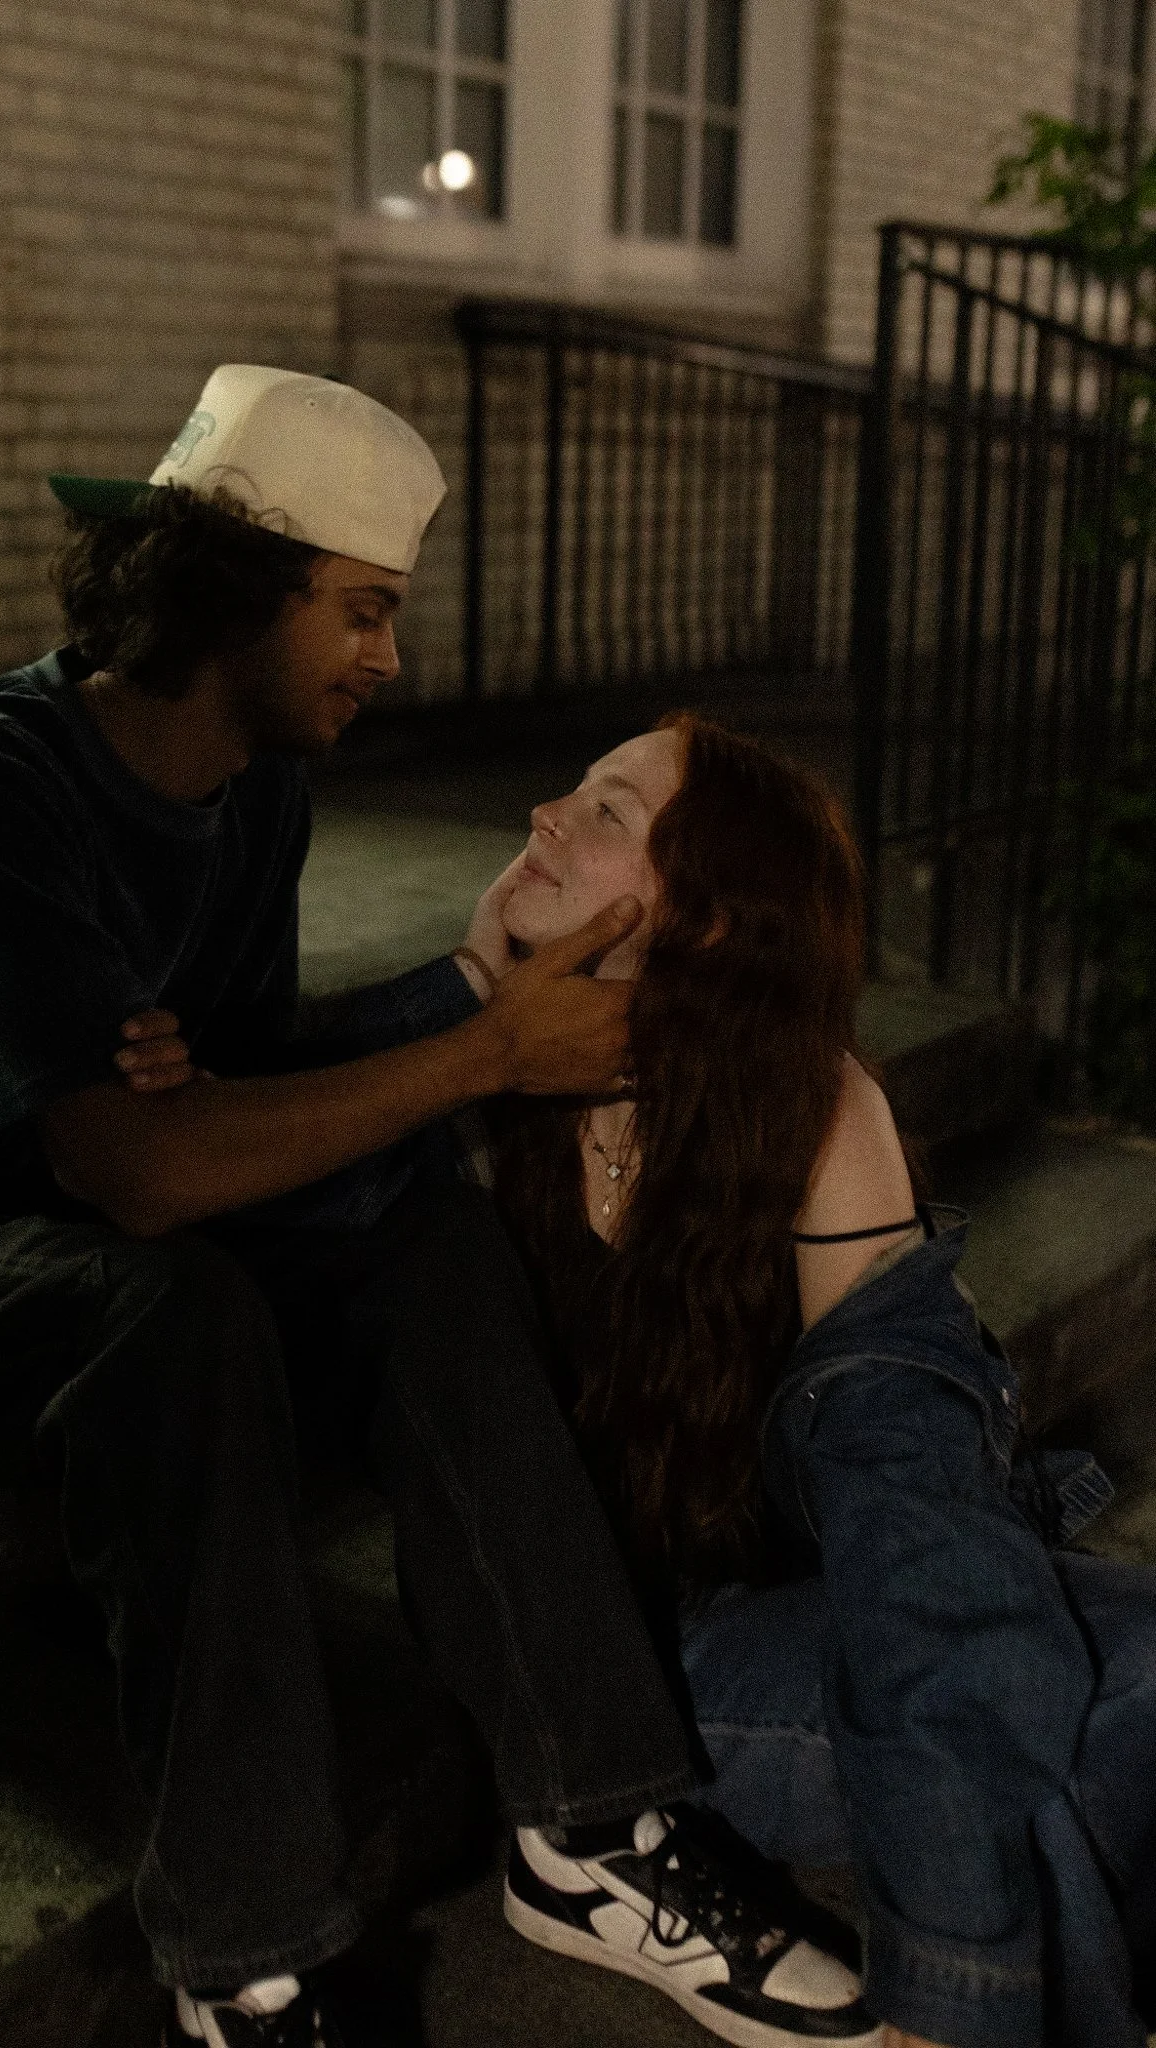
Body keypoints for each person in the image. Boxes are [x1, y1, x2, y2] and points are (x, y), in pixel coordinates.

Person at [0, 370, 878, 2048]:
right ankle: (246, 1971)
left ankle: (594, 1835)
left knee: (414, 1232)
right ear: (230, 590)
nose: (389, 658)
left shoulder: (255, 789)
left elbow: (235, 1100)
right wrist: (476, 1051)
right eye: (361, 612)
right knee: (179, 1307)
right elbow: (148, 1171)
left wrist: (432, 1010)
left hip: (68, 1243)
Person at [446, 711, 1156, 2048]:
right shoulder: (464, 1086)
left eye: (606, 812)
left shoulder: (809, 1114)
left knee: (1075, 1660)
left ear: (709, 922)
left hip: (777, 1612)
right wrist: (469, 992)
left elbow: (906, 1486)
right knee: (1037, 1706)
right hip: (608, 1684)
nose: (544, 813)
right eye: (570, 790)